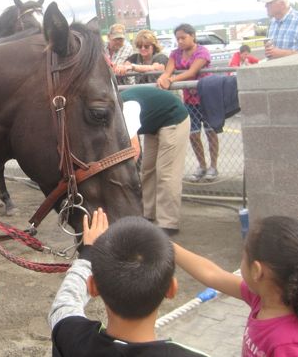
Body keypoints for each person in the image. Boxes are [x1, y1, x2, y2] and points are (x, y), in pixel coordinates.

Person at [48, 209, 208, 356]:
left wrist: (88, 252)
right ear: (171, 289)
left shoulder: (71, 337)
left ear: (92, 287)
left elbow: (63, 306)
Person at [174, 216, 298, 356]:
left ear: (257, 271)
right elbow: (212, 274)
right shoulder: (261, 299)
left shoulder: (290, 344)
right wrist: (165, 245)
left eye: (244, 256)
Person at [120, 87, 190, 235]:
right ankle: (147, 214)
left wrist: (123, 175)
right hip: (154, 124)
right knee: (148, 169)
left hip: (174, 118)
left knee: (167, 172)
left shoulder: (126, 108)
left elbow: (134, 150)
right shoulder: (114, 109)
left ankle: (168, 223)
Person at [157, 24, 219, 182]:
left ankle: (213, 166)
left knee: (211, 131)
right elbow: (168, 70)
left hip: (206, 97)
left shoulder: (202, 52)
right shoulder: (175, 53)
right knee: (194, 134)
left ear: (193, 36)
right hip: (190, 100)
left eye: (183, 38)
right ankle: (202, 166)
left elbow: (192, 71)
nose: (180, 41)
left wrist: (171, 80)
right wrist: (164, 78)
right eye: (178, 38)